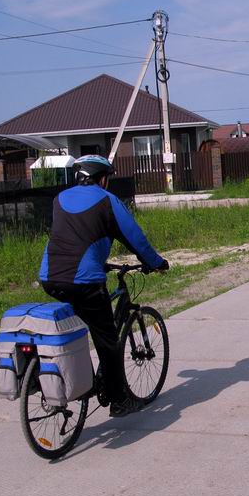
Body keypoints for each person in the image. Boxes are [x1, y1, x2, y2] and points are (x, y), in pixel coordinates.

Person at [39, 155, 169, 418]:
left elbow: (74, 237)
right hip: (84, 280)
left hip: (50, 278)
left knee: (75, 328)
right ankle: (119, 400)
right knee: (107, 338)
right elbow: (134, 237)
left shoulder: (59, 199)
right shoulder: (108, 200)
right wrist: (156, 263)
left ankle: (75, 378)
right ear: (102, 178)